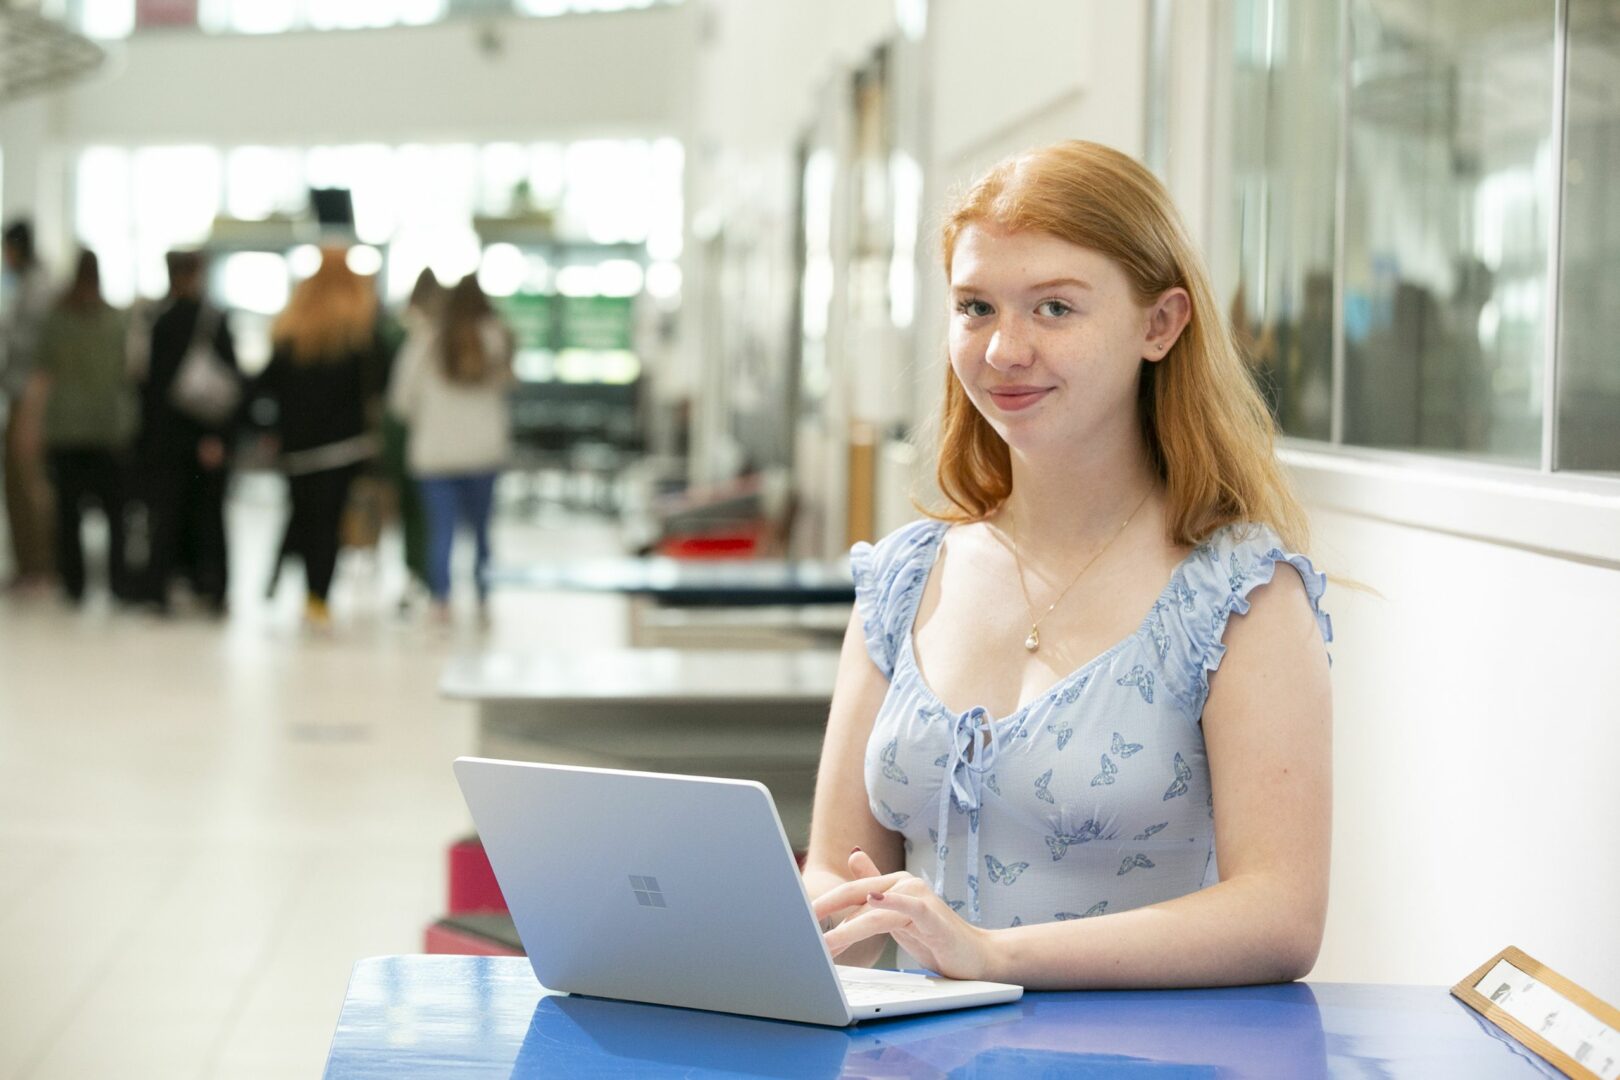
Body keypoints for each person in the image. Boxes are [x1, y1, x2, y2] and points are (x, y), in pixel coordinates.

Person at [803, 141, 1334, 990]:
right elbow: (836, 866)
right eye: (975, 306)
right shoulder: (903, 579)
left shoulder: (1239, 596)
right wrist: (813, 928)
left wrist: (994, 958)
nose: (1004, 349)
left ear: (1159, 325)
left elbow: (1279, 913)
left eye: (1054, 308)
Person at [253, 247, 383, 629]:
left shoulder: (292, 324)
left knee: (302, 513)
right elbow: (380, 383)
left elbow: (266, 384)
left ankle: (283, 577)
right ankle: (318, 598)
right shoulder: (361, 327)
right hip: (344, 446)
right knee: (328, 522)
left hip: (296, 446)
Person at [388, 274, 512, 624]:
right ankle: (484, 596)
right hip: (484, 452)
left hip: (435, 453)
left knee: (440, 530)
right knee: (482, 531)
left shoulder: (425, 343)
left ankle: (440, 600)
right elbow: (507, 388)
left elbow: (400, 401)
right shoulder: (497, 339)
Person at [135, 250, 242, 614]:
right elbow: (231, 386)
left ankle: (164, 587)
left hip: (167, 438)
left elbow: (146, 388)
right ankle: (210, 587)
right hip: (203, 436)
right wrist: (220, 437)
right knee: (206, 514)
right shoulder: (211, 320)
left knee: (168, 513)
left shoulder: (157, 321)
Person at [29, 250, 135, 603]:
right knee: (116, 515)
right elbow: (130, 372)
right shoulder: (116, 320)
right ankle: (118, 583)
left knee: (69, 513)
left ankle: (74, 585)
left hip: (67, 429)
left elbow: (42, 378)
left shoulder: (56, 321)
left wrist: (32, 427)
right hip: (108, 428)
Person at [379, 268, 442, 611]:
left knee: (411, 509)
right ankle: (427, 576)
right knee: (426, 511)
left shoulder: (398, 332)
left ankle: (419, 573)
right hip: (424, 432)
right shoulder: (428, 336)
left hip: (405, 431)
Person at [1, 219, 57, 591]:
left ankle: (39, 565)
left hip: (33, 395)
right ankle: (30, 563)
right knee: (18, 479)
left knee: (27, 479)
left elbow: (33, 350)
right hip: (22, 392)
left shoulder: (38, 288)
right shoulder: (29, 285)